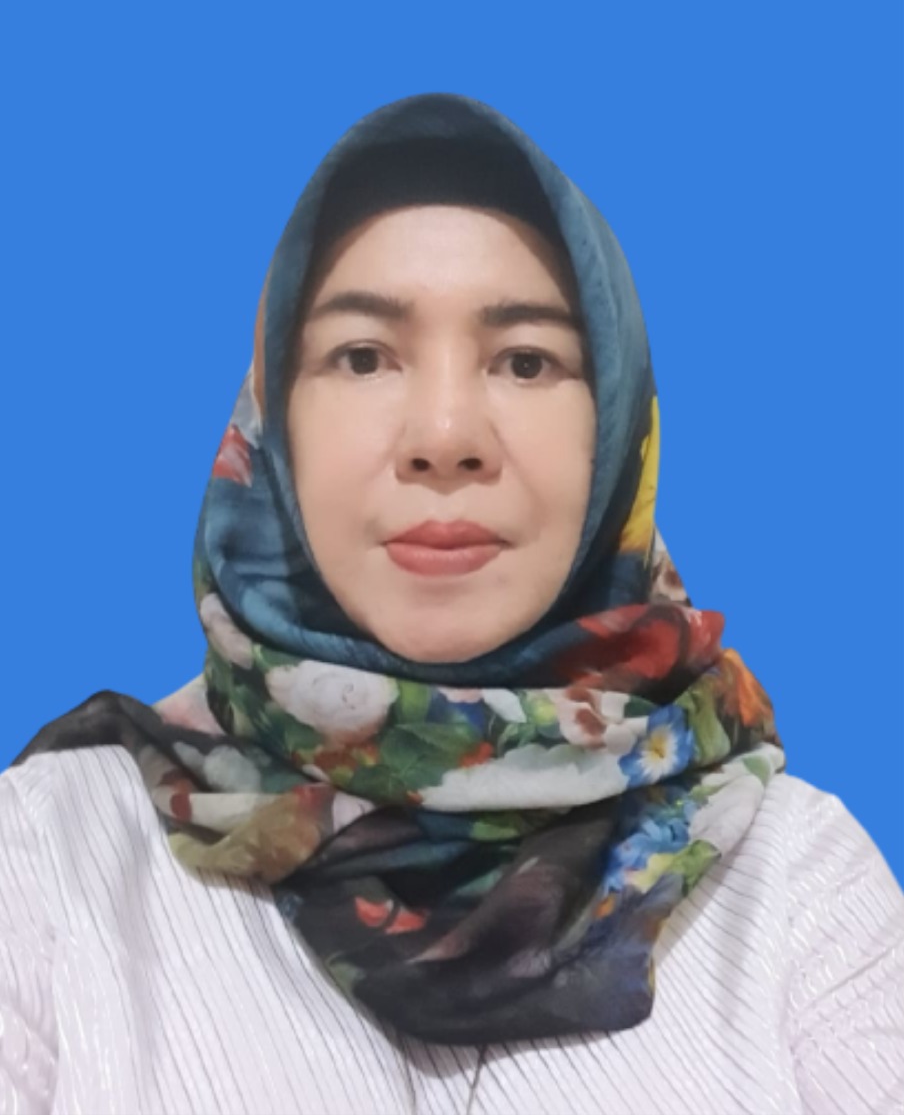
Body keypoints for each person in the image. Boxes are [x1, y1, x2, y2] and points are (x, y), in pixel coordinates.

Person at [2, 93, 902, 1115]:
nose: (443, 435)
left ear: (617, 430)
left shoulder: (794, 888)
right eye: (362, 356)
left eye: (526, 360)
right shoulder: (49, 859)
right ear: (274, 421)